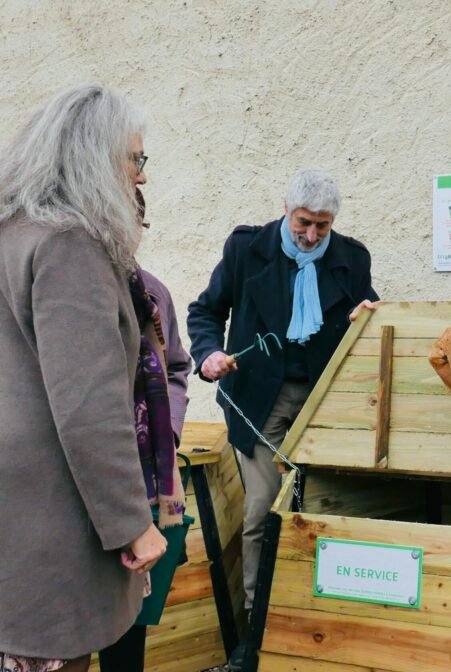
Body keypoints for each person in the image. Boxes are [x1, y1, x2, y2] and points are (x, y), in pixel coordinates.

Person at [0, 86, 167, 672]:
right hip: (50, 514)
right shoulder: (69, 246)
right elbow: (89, 408)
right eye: (135, 159)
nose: (141, 177)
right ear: (95, 159)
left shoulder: (12, 233)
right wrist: (133, 525)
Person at [187, 169, 378, 670]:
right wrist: (208, 356)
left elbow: (370, 316)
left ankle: (315, 623)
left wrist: (368, 314)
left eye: (322, 226)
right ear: (285, 209)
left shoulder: (351, 258)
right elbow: (205, 312)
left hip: (324, 402)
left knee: (321, 507)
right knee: (262, 511)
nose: (312, 236)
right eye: (304, 223)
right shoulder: (245, 249)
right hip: (259, 401)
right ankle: (257, 629)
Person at [97, 186, 193, 671]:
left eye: (135, 224)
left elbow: (176, 368)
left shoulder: (151, 295)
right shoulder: (67, 291)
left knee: (127, 627)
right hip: (77, 481)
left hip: (140, 485)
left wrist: (166, 432)